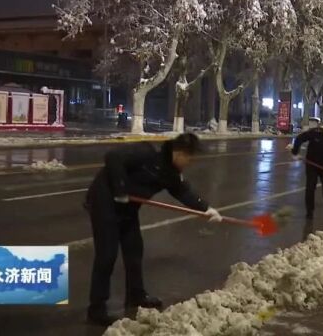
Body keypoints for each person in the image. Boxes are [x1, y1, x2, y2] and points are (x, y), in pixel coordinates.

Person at [84, 133, 222, 325]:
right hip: (105, 202)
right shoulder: (146, 153)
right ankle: (96, 309)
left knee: (134, 251)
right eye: (189, 157)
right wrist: (120, 189)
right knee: (107, 256)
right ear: (178, 152)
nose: (190, 162)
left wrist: (206, 209)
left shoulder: (170, 173)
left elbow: (184, 192)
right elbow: (113, 157)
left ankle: (135, 295)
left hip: (127, 208)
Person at [291, 124, 323, 221]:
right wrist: (295, 152)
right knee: (310, 188)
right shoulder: (315, 133)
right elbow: (300, 138)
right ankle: (309, 212)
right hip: (312, 165)